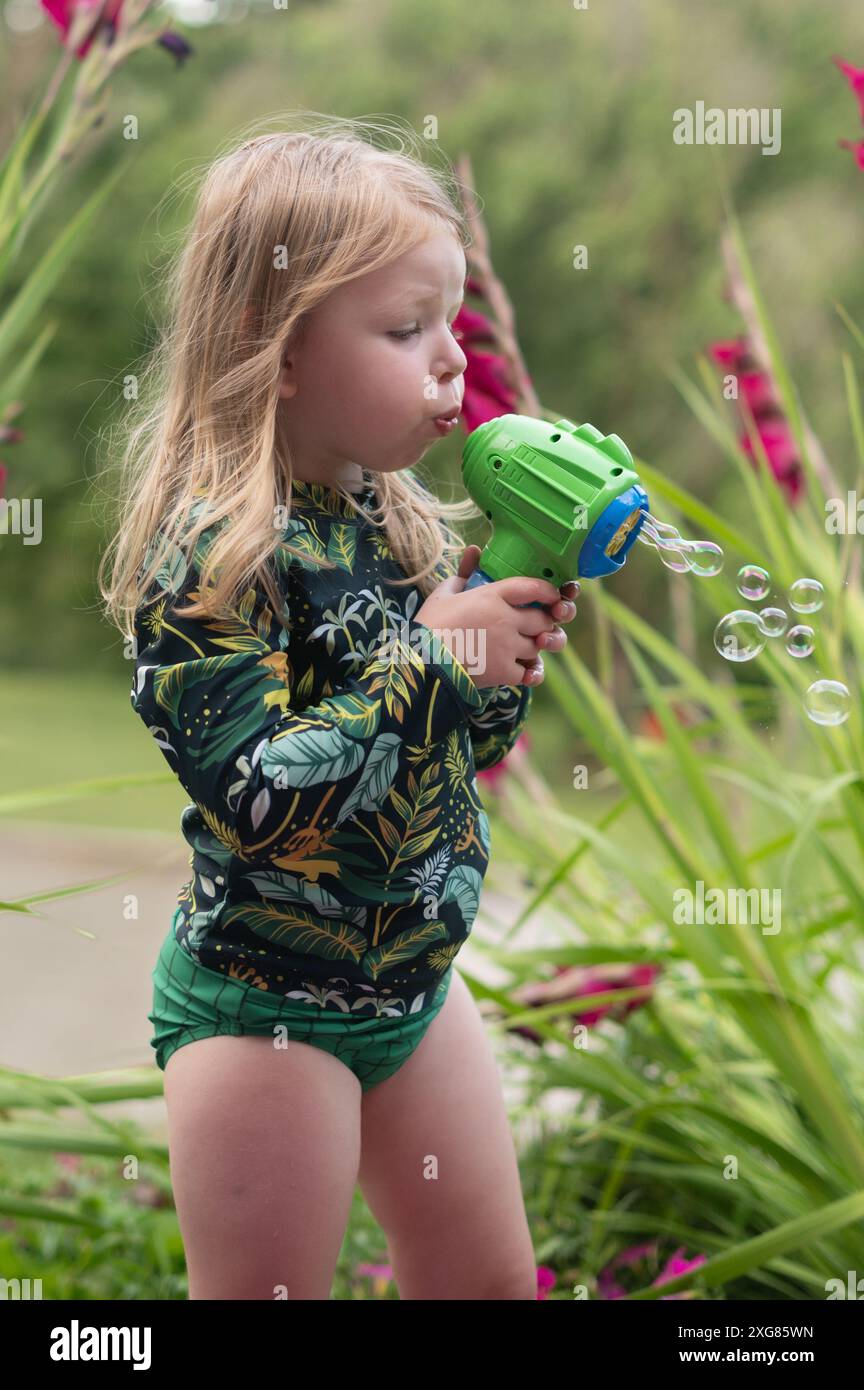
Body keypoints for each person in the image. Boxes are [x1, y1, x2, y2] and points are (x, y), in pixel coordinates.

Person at [99, 116, 579, 1300]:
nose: (451, 363)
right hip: (264, 1016)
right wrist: (432, 660)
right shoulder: (208, 556)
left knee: (488, 1284)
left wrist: (497, 652)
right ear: (278, 343)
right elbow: (262, 795)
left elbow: (456, 754)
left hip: (415, 986)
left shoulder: (400, 525)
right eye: (405, 329)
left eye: (452, 324)